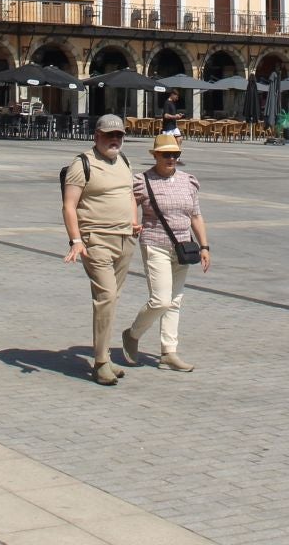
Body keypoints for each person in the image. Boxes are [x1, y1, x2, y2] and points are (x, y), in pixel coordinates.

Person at [122, 132, 210, 373]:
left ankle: (168, 353)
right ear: (155, 156)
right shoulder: (142, 181)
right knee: (160, 300)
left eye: (175, 154)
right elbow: (130, 202)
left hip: (182, 247)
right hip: (155, 244)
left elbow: (196, 216)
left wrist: (204, 246)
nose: (171, 159)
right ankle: (132, 334)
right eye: (166, 155)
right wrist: (133, 221)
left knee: (174, 301)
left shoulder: (188, 181)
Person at [61, 114, 136, 385]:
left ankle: (105, 355)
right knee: (106, 296)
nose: (114, 140)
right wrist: (76, 240)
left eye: (119, 135)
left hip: (125, 239)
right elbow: (69, 205)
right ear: (97, 136)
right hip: (96, 240)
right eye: (109, 135)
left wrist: (134, 221)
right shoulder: (82, 164)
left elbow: (130, 194)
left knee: (113, 299)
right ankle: (101, 363)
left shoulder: (124, 160)